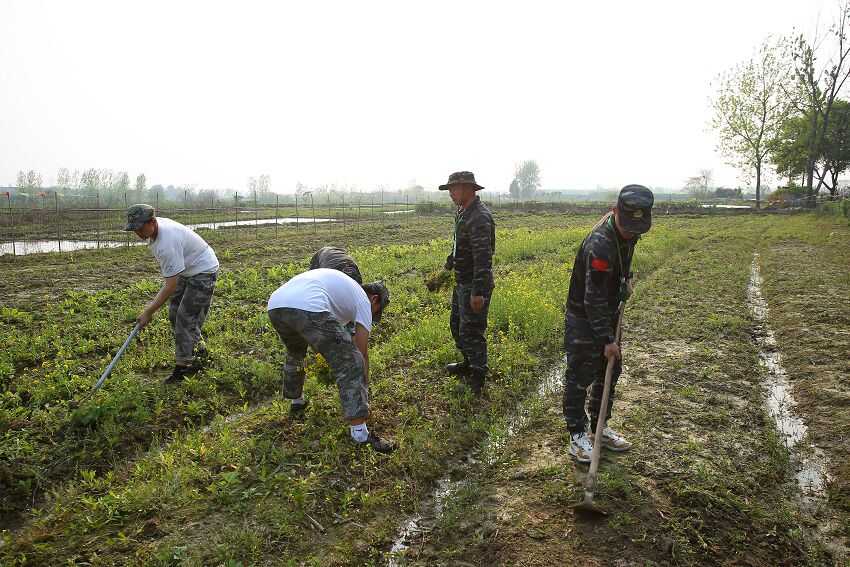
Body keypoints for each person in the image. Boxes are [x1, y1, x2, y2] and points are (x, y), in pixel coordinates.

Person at [563, 184, 654, 463]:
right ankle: (577, 436)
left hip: (607, 311)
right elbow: (592, 299)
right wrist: (606, 340)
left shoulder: (630, 230)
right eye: (628, 226)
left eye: (637, 227)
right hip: (584, 316)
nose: (632, 233)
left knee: (609, 372)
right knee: (580, 377)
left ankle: (599, 428)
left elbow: (623, 258)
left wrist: (624, 280)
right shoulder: (600, 244)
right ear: (615, 212)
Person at [266, 268, 394, 453]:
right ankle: (360, 433)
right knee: (352, 361)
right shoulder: (363, 301)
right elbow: (361, 352)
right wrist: (363, 385)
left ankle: (297, 402)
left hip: (276, 305)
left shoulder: (344, 293)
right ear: (374, 299)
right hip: (309, 306)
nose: (373, 315)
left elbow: (332, 339)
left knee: (296, 352)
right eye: (377, 312)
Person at [124, 204, 219, 384]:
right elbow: (172, 281)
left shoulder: (167, 242)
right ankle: (201, 355)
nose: (137, 233)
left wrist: (148, 311)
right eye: (134, 229)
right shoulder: (156, 232)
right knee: (175, 314)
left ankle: (183, 367)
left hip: (204, 271)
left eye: (139, 228)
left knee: (185, 318)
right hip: (187, 269)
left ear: (152, 222)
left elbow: (170, 286)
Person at [439, 171, 496, 395]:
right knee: (457, 325)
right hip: (461, 280)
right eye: (450, 189)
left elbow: (484, 258)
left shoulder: (479, 217)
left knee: (472, 330)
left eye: (454, 189)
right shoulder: (463, 212)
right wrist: (447, 267)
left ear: (468, 189)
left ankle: (478, 375)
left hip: (474, 284)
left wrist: (478, 292)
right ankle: (467, 363)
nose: (451, 193)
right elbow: (458, 246)